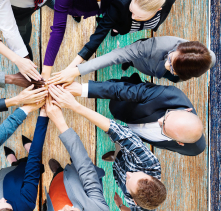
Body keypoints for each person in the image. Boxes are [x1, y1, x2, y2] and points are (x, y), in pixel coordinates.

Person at [47, 85, 167, 210]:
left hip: (115, 171)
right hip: (127, 154)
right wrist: (74, 106)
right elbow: (115, 130)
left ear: (135, 202)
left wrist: (121, 205)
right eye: (136, 173)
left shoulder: (139, 205)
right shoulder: (149, 163)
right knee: (119, 149)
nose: (128, 173)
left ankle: (114, 158)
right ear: (152, 177)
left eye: (128, 180)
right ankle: (117, 155)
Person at [63, 73, 205, 156]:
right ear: (186, 111)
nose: (160, 121)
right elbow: (122, 91)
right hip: (126, 106)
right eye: (167, 116)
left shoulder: (192, 149)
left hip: (136, 133)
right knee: (123, 89)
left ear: (179, 142)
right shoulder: (169, 95)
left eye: (165, 129)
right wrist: (82, 89)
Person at [52, 0, 176, 74]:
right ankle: (116, 29)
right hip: (121, 22)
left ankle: (118, 29)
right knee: (116, 28)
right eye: (132, 10)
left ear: (158, 9)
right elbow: (97, 38)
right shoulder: (119, 6)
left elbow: (170, 1)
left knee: (123, 27)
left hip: (133, 26)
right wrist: (71, 67)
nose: (133, 17)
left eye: (139, 16)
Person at [42, 0, 127, 79]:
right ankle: (75, 14)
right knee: (67, 9)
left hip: (106, 4)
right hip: (78, 7)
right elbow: (58, 29)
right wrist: (46, 71)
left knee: (111, 16)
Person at [47, 36, 216, 85]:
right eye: (170, 59)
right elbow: (117, 55)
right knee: (128, 59)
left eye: (172, 68)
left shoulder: (199, 65)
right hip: (142, 59)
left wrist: (171, 73)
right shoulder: (156, 45)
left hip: (163, 71)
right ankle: (132, 64)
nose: (166, 65)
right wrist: (77, 70)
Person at [41, 97, 109, 211]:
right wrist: (59, 121)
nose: (67, 207)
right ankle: (72, 167)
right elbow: (86, 169)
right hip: (79, 182)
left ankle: (58, 172)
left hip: (55, 196)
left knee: (57, 181)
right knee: (79, 165)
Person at [0, 106, 49, 211]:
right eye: (6, 204)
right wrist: (44, 115)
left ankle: (14, 163)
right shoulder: (26, 202)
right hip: (22, 175)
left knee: (8, 171)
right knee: (30, 163)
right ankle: (24, 157)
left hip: (0, 177)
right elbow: (34, 158)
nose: (2, 199)